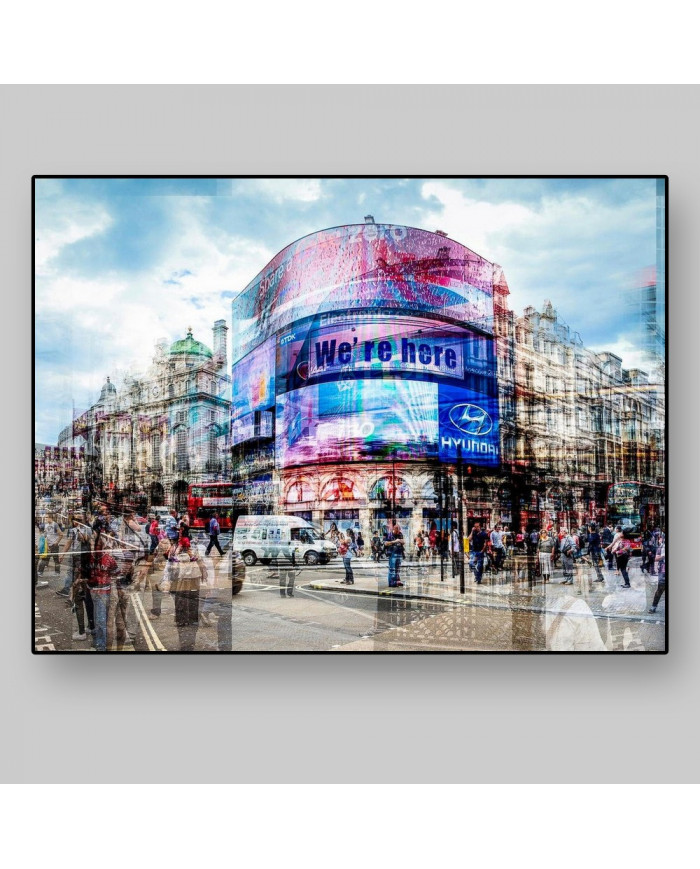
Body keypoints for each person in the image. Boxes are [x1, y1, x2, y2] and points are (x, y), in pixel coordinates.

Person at [170, 537, 208, 650]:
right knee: (193, 603)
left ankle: (182, 622)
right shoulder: (194, 554)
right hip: (193, 583)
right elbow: (202, 566)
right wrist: (204, 578)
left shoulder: (176, 554)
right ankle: (191, 621)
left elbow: (171, 569)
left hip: (182, 583)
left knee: (181, 602)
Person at [87, 536, 118, 652]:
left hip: (103, 592)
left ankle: (101, 645)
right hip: (92, 591)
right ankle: (98, 641)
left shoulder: (108, 559)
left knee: (100, 619)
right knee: (96, 617)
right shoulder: (89, 558)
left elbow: (116, 572)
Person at [38, 512, 63, 577]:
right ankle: (40, 572)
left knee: (56, 560)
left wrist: (56, 542)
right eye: (45, 517)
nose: (45, 519)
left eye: (46, 517)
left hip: (54, 546)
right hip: (47, 545)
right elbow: (43, 533)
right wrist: (43, 538)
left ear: (50, 517)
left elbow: (61, 534)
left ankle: (57, 572)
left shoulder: (55, 525)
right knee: (44, 559)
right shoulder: (45, 525)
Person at [648, 533, 666, 613]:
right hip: (663, 571)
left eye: (660, 538)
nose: (659, 540)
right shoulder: (661, 547)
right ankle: (653, 606)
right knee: (660, 589)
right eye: (659, 539)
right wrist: (664, 555)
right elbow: (656, 558)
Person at [384, 522, 405, 587]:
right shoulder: (389, 535)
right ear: (394, 529)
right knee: (392, 568)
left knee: (397, 568)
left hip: (399, 552)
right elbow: (385, 543)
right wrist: (395, 541)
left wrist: (401, 541)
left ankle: (397, 581)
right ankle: (392, 583)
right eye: (397, 531)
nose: (398, 532)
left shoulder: (400, 534)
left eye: (399, 531)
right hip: (392, 553)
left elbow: (403, 542)